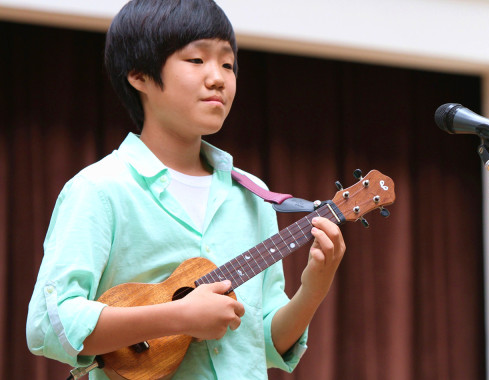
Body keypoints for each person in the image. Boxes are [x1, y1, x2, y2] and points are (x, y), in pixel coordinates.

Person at [25, 0, 346, 378]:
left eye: (228, 64)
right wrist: (176, 316)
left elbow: (264, 341)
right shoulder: (100, 189)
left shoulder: (253, 195)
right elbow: (50, 324)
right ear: (139, 75)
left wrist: (314, 287)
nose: (218, 78)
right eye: (197, 60)